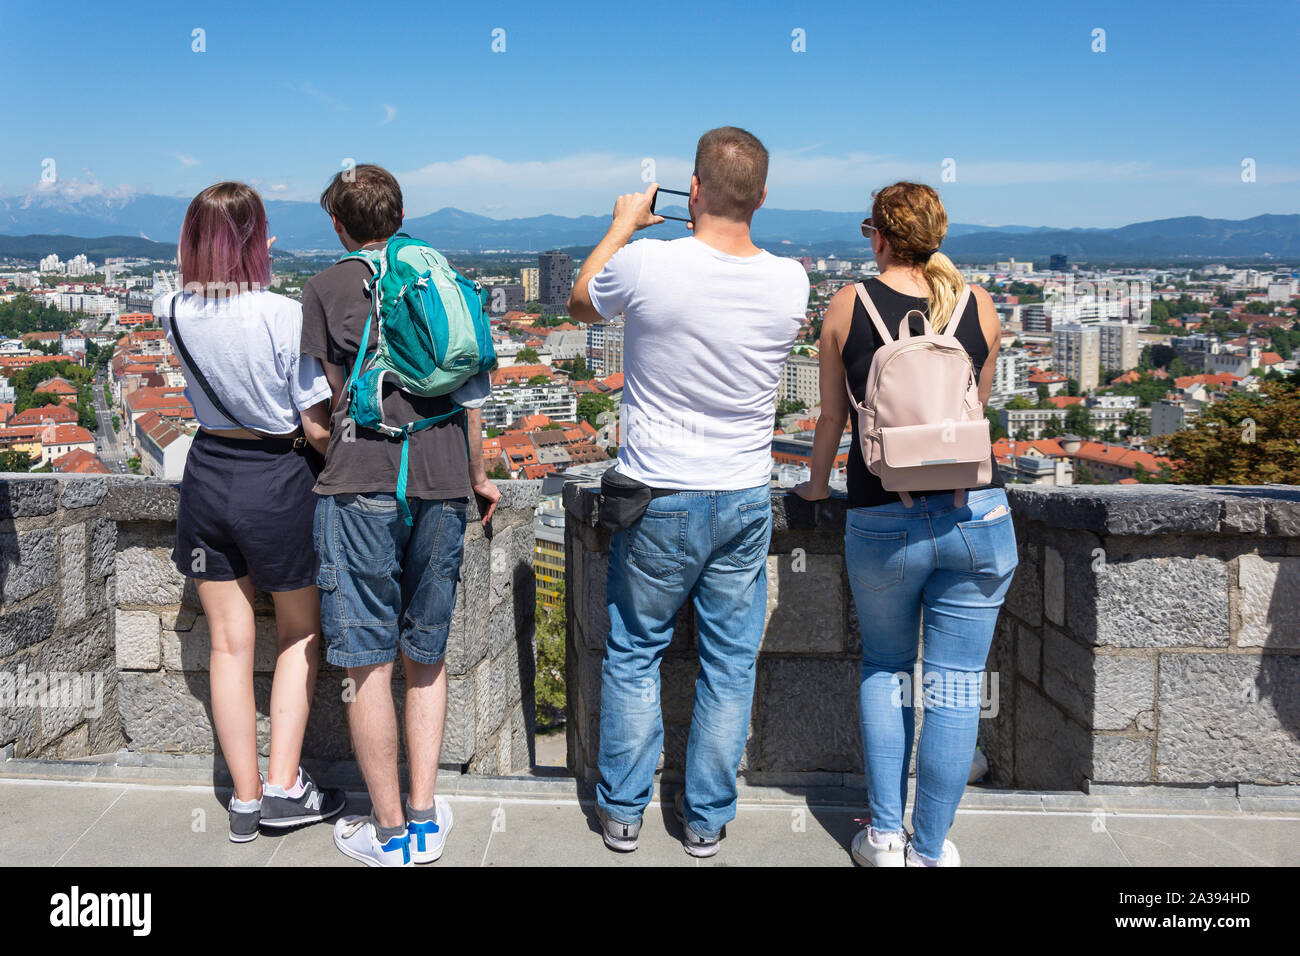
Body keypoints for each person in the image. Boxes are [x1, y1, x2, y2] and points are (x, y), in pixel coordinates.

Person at [568, 127, 810, 857]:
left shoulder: (647, 262)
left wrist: (621, 223)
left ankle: (622, 811)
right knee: (730, 664)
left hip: (657, 493)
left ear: (693, 191)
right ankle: (705, 820)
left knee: (635, 650)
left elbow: (581, 304)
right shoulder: (792, 279)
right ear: (762, 197)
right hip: (742, 494)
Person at [794, 182, 1017, 867]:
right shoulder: (978, 306)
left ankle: (885, 835)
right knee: (953, 688)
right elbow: (971, 414)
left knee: (888, 668)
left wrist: (815, 486)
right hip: (975, 517)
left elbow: (831, 417)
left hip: (880, 515)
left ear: (878, 236)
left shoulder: (846, 305)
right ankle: (930, 848)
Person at [300, 164, 500, 867]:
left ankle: (386, 835)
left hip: (361, 484)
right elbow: (472, 398)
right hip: (444, 484)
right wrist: (477, 478)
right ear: (400, 213)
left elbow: (315, 413)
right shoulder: (440, 278)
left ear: (338, 223)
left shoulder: (323, 288)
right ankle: (423, 815)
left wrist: (349, 452)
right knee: (427, 657)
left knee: (368, 664)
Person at [159, 181, 345, 843]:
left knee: (228, 645)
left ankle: (241, 800)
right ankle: (283, 786)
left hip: (207, 475)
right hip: (278, 478)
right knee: (298, 632)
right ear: (252, 240)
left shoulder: (172, 308)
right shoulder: (280, 314)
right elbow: (315, 424)